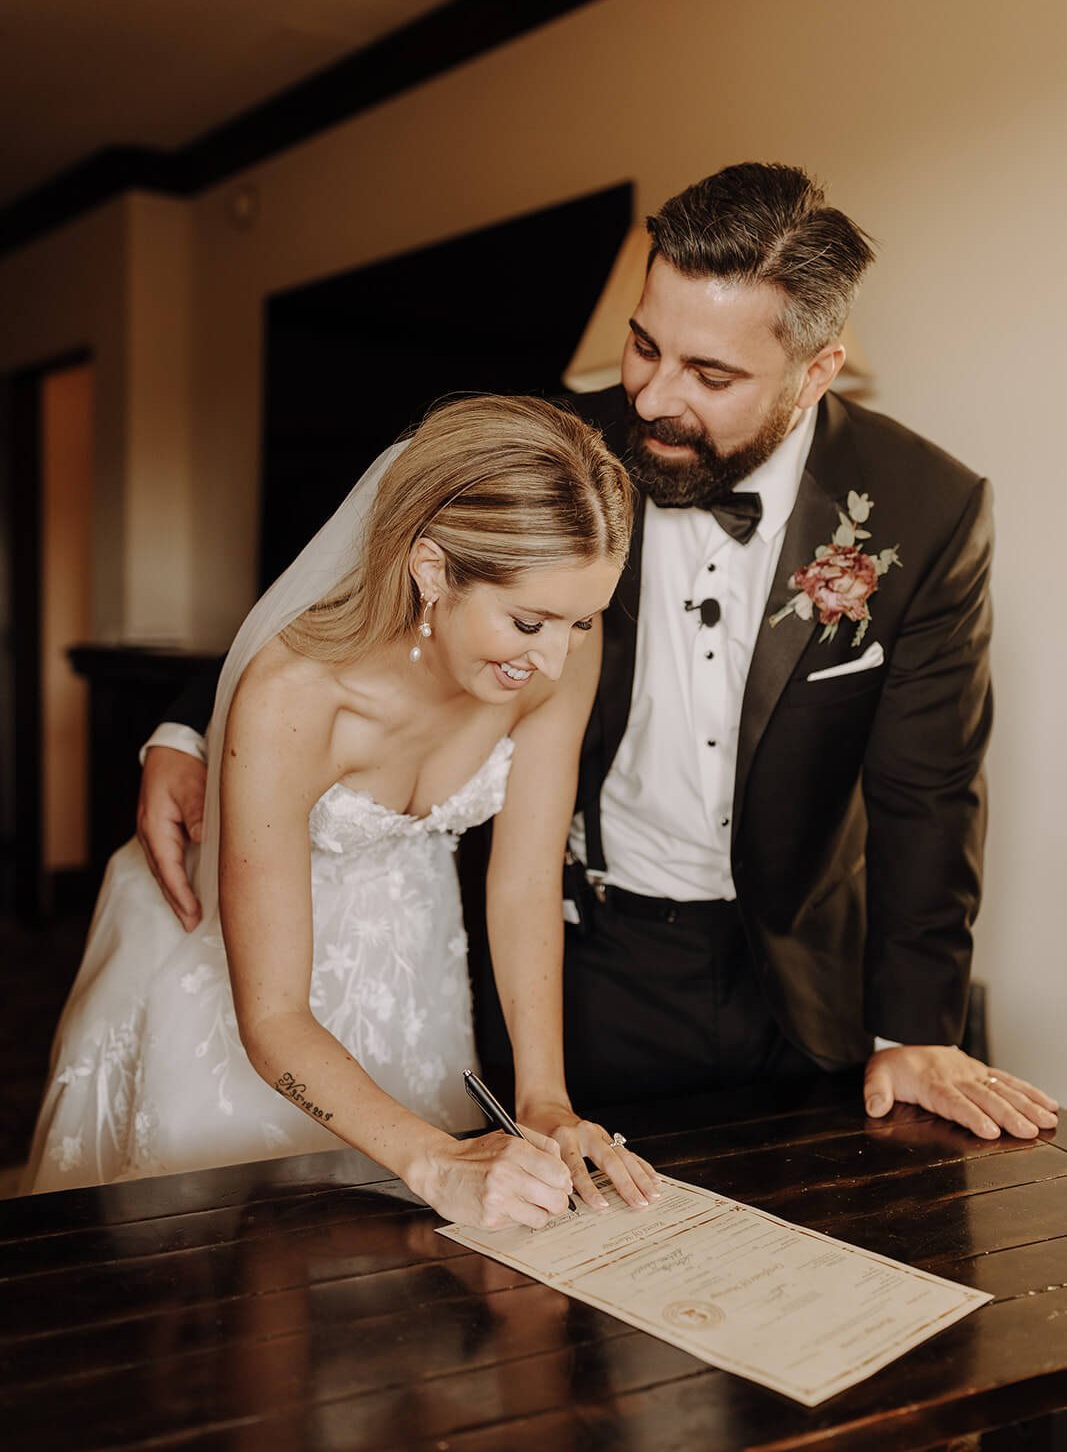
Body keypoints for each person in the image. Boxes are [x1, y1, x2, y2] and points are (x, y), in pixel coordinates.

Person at [137, 164, 1059, 1145]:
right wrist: (193, 722)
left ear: (814, 371)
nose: (650, 396)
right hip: (582, 959)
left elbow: (931, 787)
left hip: (796, 974)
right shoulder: (556, 456)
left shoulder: (925, 509)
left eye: (708, 376)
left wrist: (914, 1027)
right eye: (642, 344)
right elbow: (354, 579)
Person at [24, 395, 661, 1224]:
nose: (553, 659)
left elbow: (523, 888)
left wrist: (545, 1098)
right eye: (529, 621)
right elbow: (273, 1016)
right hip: (243, 979)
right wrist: (436, 1163)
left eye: (582, 621)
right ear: (431, 568)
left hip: (410, 964)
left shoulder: (561, 651)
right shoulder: (295, 697)